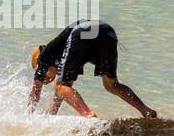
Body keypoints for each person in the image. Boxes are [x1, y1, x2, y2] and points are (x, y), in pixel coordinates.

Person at [27, 19, 156, 119]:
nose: (46, 80)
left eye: (45, 76)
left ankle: (88, 116)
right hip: (106, 31)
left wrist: (28, 118)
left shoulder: (44, 57)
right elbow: (64, 92)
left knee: (60, 86)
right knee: (111, 85)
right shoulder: (64, 51)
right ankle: (147, 112)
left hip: (82, 31)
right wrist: (50, 117)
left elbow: (35, 93)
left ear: (39, 64)